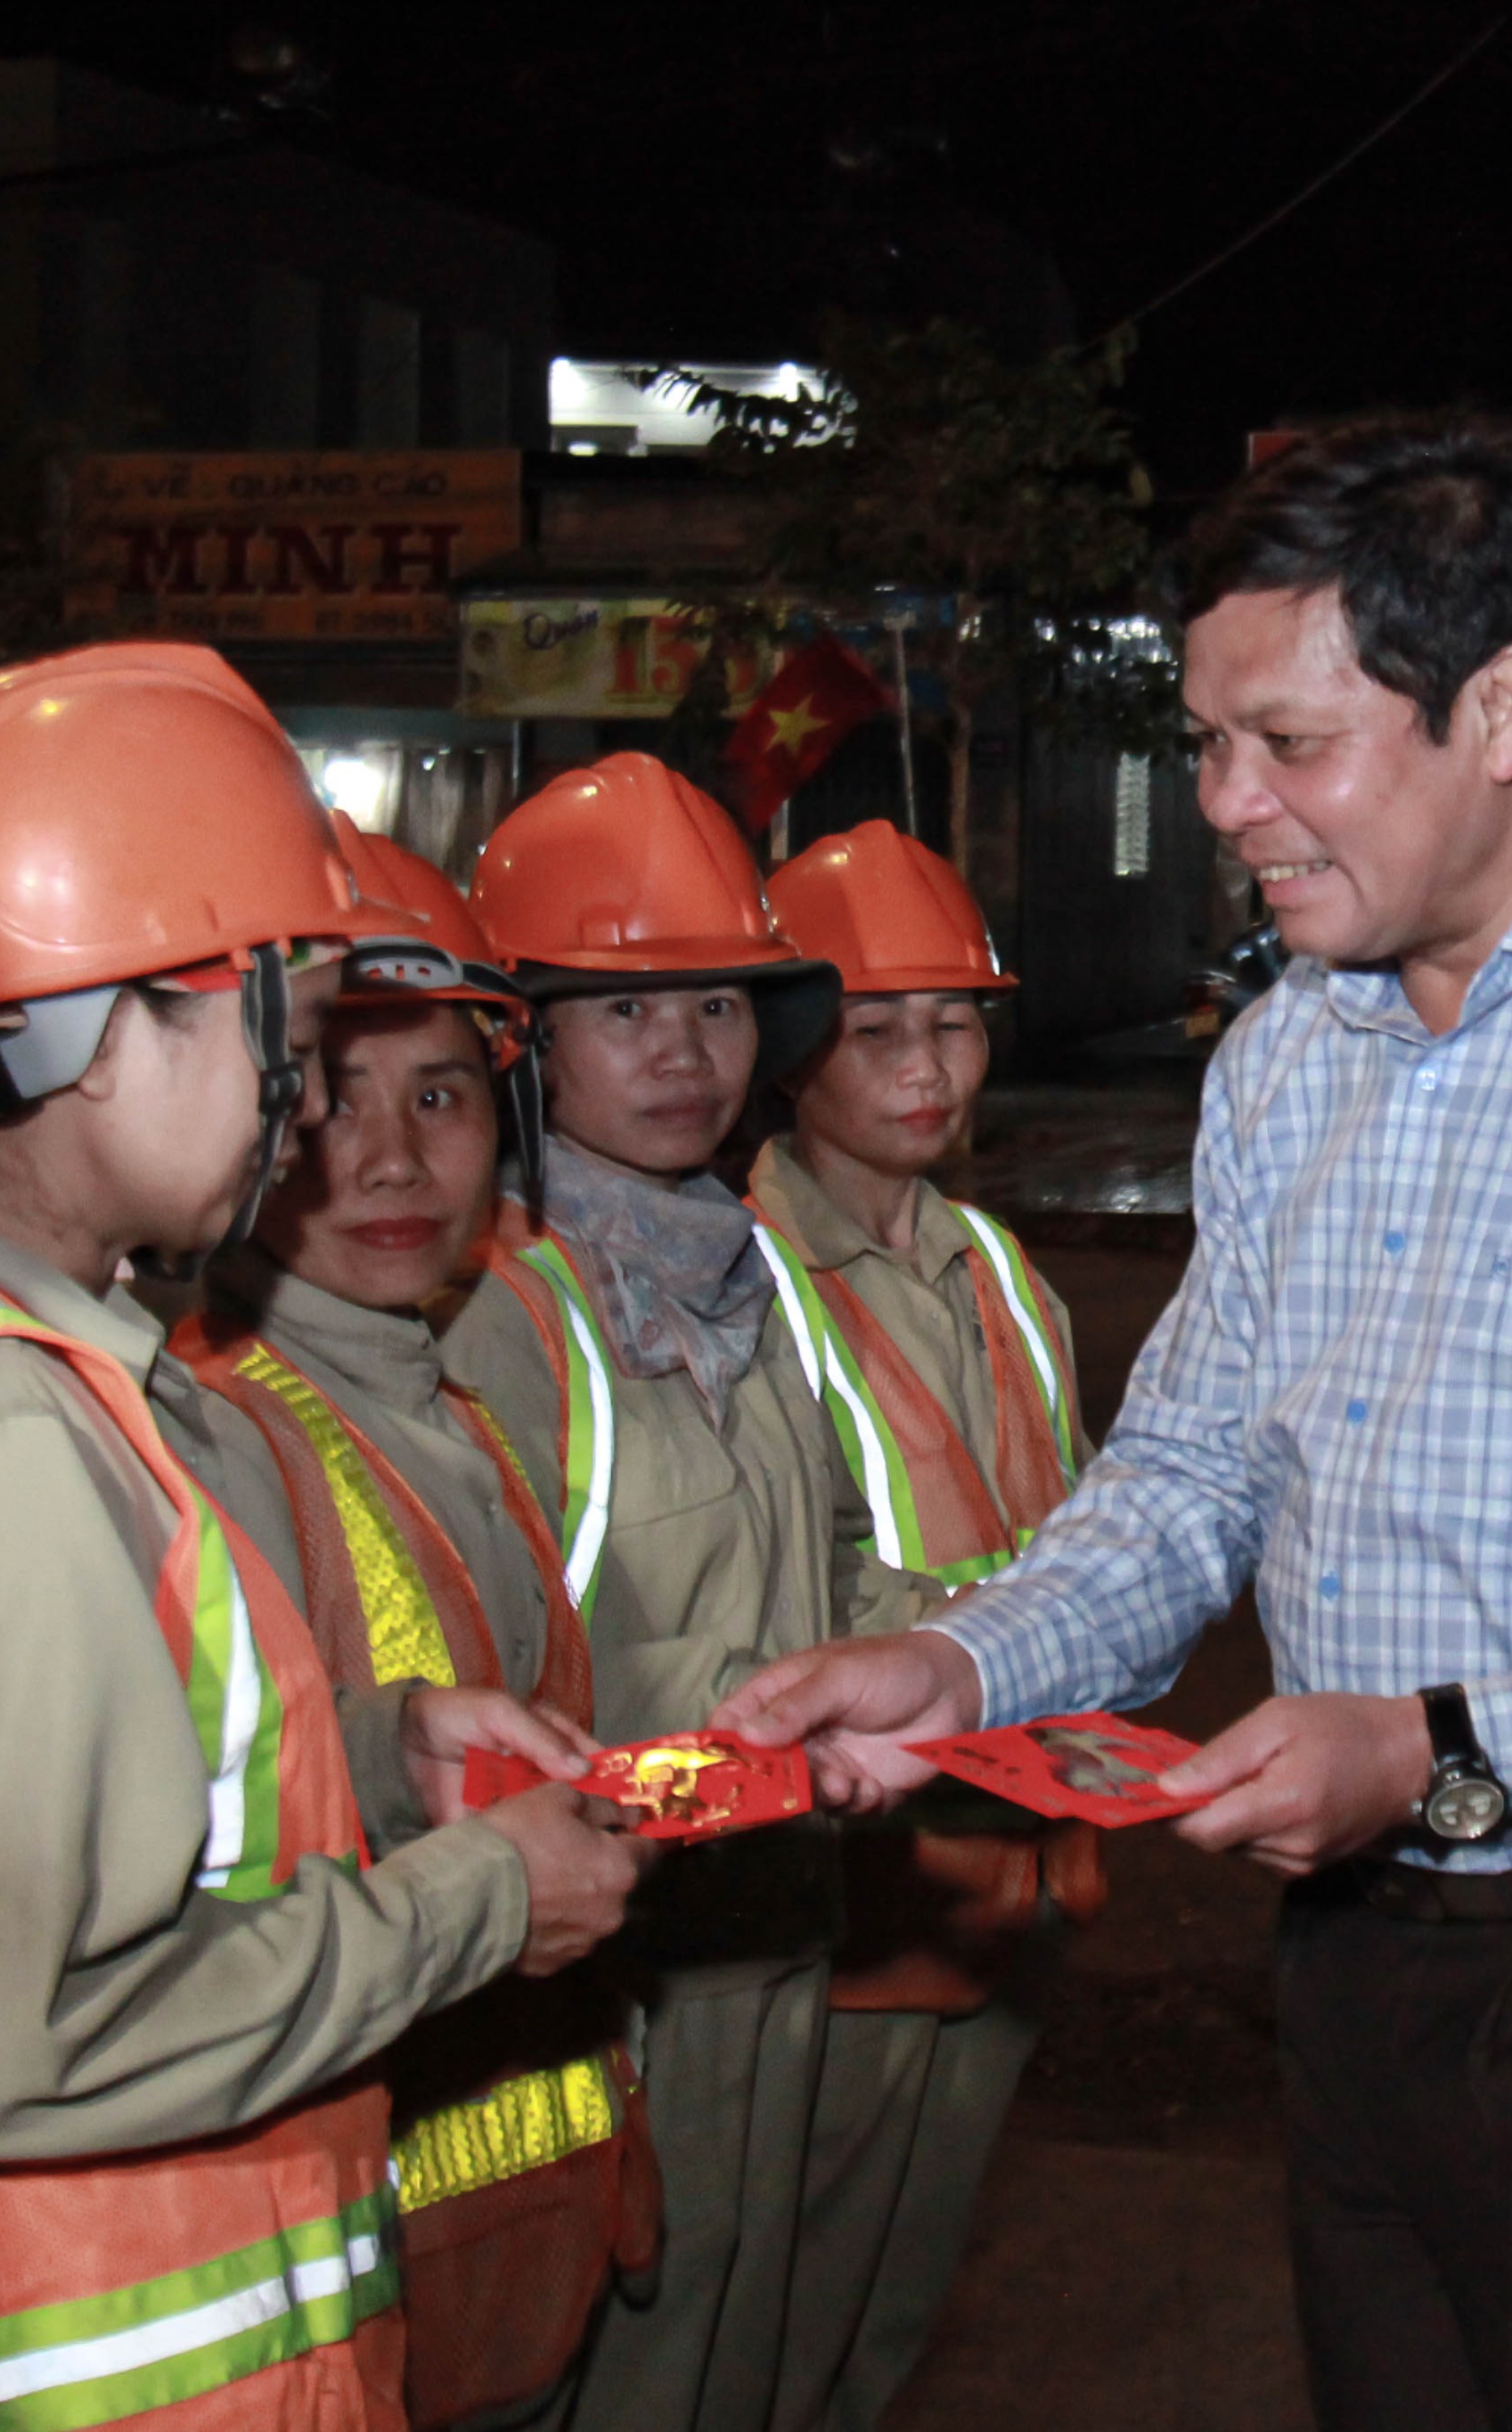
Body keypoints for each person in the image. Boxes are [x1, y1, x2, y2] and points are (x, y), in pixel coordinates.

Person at [728, 419, 1512, 2432]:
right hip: (1363, 1939)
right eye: (1212, 741)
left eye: (1289, 743)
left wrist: (1447, 1751)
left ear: (1497, 707)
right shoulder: (1295, 1052)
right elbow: (1197, 1473)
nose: (1227, 801)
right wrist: (958, 1659)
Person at [0, 643, 648, 2430]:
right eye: (281, 1026)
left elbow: (56, 1809)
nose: (298, 1105)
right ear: (101, 1028)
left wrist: (380, 1755)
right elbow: (28, 2043)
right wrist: (478, 1895)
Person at [442, 752, 943, 2432]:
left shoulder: (751, 1274)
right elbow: (495, 1657)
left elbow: (851, 1547)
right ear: (527, 1045)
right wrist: (777, 1708)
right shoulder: (493, 1312)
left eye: (719, 1005)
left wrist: (954, 1670)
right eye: (624, 1011)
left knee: (743, 2355)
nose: (683, 1054)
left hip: (786, 1922)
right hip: (615, 1962)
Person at [169, 822, 661, 2428]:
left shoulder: (439, 1394)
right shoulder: (212, 1427)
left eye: (439, 1096)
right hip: (348, 2252)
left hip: (512, 2207)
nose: (386, 1159)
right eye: (332, 1095)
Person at [748, 819, 1099, 2430]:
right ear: (792, 1044)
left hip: (1014, 1877)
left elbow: (1091, 1535)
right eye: (875, 1029)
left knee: (884, 2328)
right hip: (848, 1896)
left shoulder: (1001, 1271)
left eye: (953, 1022)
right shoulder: (742, 1278)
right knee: (774, 2318)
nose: (924, 1066)